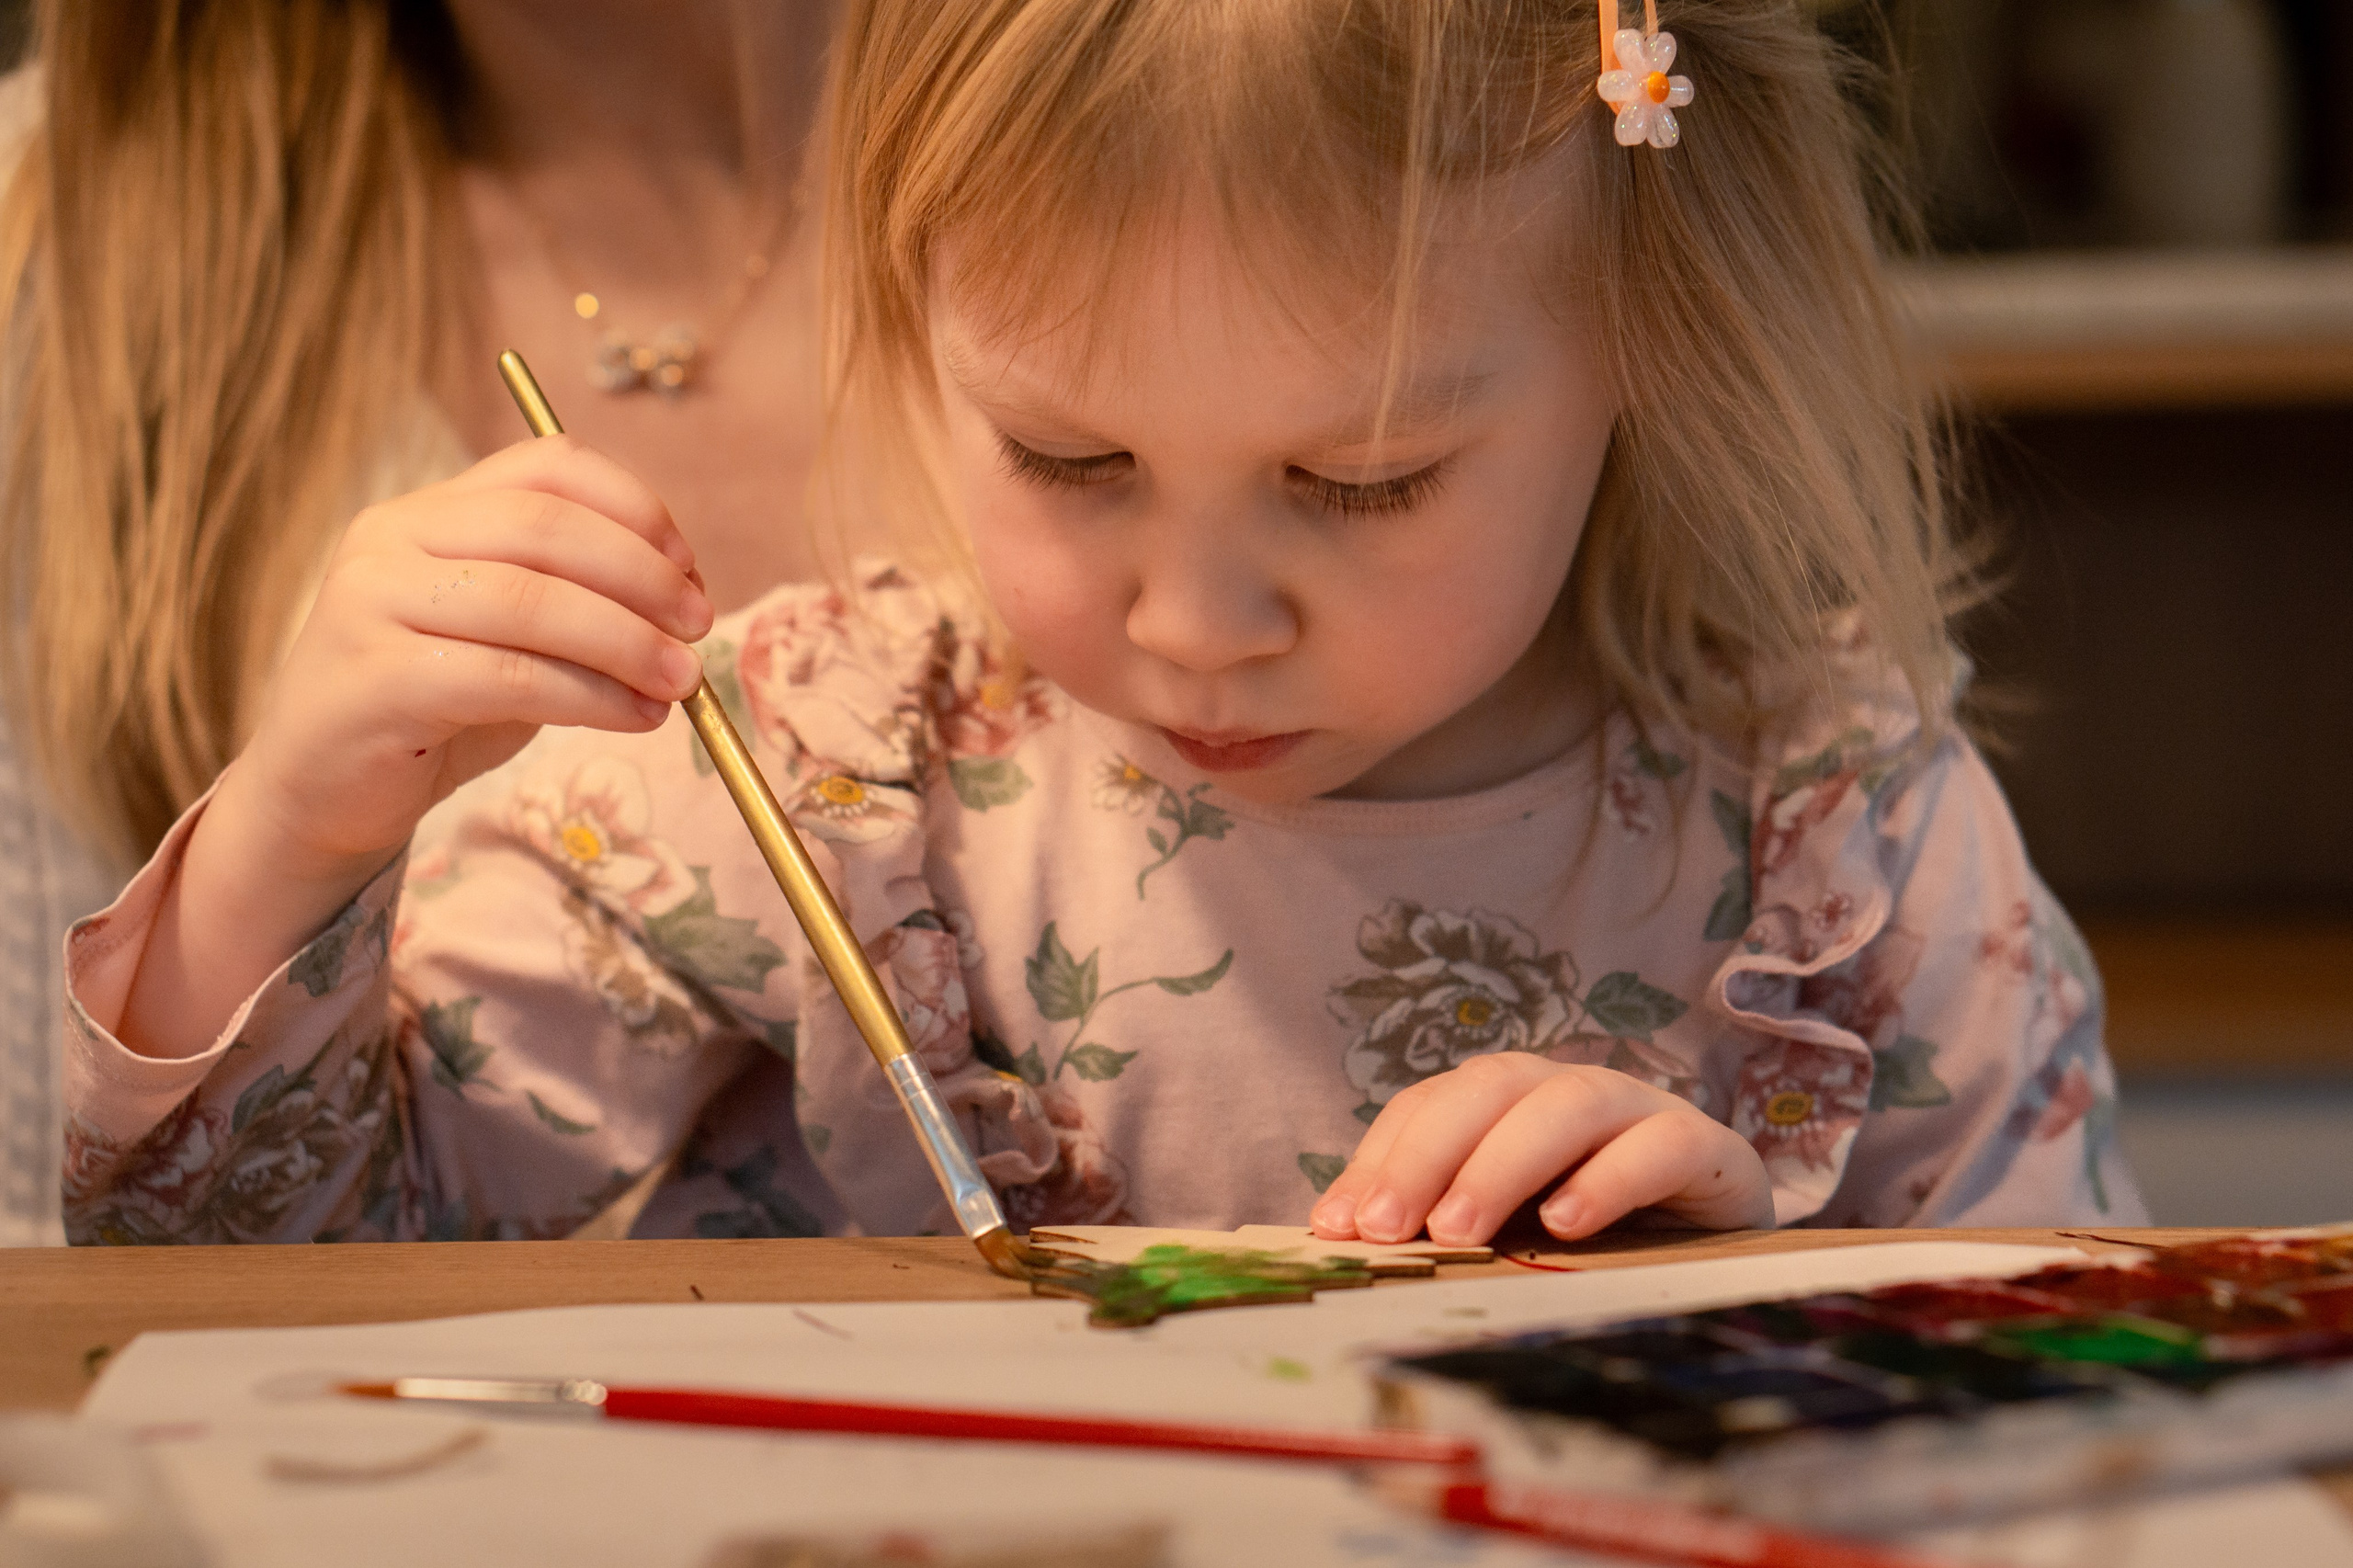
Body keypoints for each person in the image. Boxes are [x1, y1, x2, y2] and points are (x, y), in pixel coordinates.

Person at [58, 0, 2147, 1247]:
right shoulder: (820, 769)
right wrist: (290, 840)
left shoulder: (1845, 846)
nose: (1194, 618)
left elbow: (2099, 1448)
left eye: (1358, 484)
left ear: (1653, 344)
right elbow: (247, 1268)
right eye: (1067, 459)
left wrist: (1738, 1325)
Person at [0, 0, 834, 1244]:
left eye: (1079, 460)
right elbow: (64, 1273)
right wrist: (286, 851)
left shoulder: (1162, 107)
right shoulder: (63, 257)